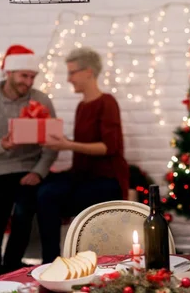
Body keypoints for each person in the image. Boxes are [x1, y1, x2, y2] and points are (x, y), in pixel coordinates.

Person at [0, 44, 58, 278]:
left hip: (30, 171)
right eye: (24, 76)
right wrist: (3, 145)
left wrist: (38, 172)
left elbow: (52, 145)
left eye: (32, 77)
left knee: (23, 216)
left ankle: (11, 273)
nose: (29, 82)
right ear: (8, 73)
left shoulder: (42, 101)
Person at [38, 47, 129, 264]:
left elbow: (109, 147)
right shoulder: (81, 106)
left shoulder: (107, 102)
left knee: (47, 196)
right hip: (84, 176)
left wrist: (67, 144)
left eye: (72, 72)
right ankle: (52, 262)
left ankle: (51, 263)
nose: (69, 79)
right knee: (43, 187)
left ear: (88, 72)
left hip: (107, 180)